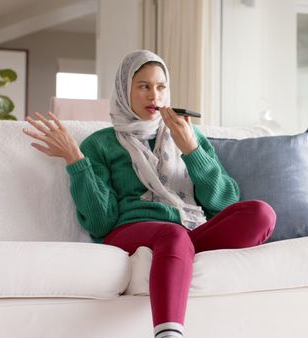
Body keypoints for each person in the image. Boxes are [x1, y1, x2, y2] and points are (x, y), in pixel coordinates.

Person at [22, 50, 276, 338]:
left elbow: (225, 203)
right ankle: (168, 333)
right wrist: (76, 161)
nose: (154, 96)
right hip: (130, 229)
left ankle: (179, 254)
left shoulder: (189, 135)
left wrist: (192, 150)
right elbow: (100, 222)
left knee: (260, 213)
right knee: (173, 235)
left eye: (160, 87)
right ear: (123, 89)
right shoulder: (100, 144)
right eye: (143, 86)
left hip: (187, 229)